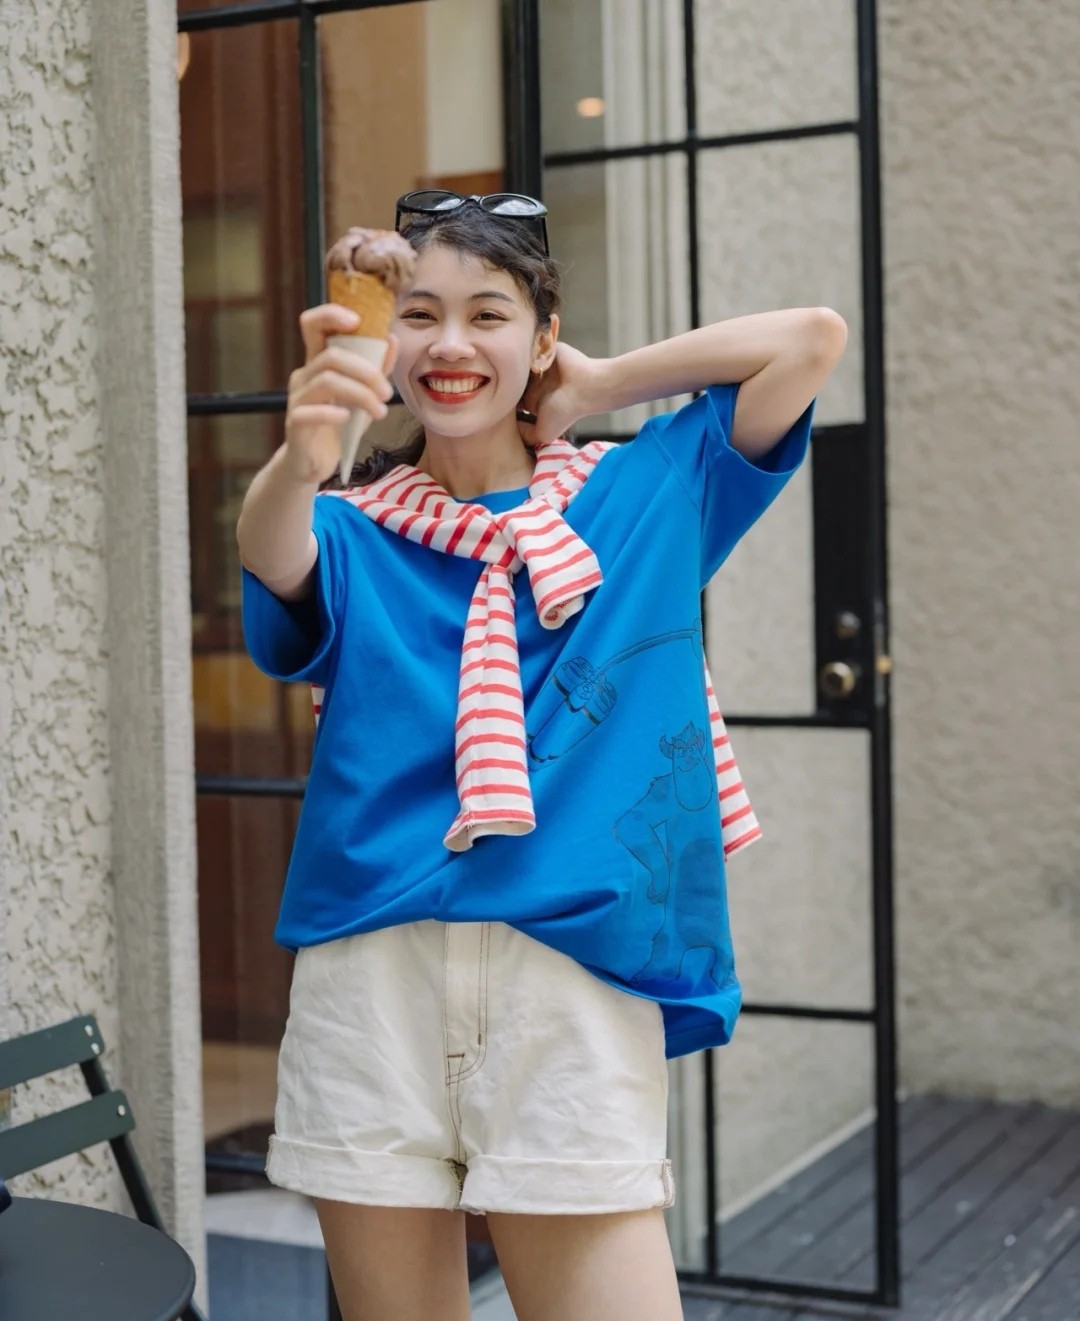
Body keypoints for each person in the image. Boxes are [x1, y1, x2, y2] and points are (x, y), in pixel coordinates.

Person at [237, 190, 847, 1321]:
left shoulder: (639, 494)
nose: (452, 343)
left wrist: (605, 385)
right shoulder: (353, 527)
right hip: (376, 975)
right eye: (420, 314)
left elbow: (809, 340)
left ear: (541, 338)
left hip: (566, 984)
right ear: (392, 342)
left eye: (490, 312)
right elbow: (273, 555)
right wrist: (303, 454)